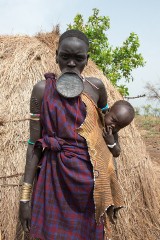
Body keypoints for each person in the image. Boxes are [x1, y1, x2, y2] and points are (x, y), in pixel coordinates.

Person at [19, 29, 124, 240]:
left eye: (79, 58)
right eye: (65, 57)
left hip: (88, 184)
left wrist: (113, 143)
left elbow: (110, 126)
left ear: (87, 59)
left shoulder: (96, 88)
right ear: (56, 54)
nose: (71, 63)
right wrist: (25, 199)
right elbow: (33, 144)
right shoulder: (41, 90)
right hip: (52, 179)